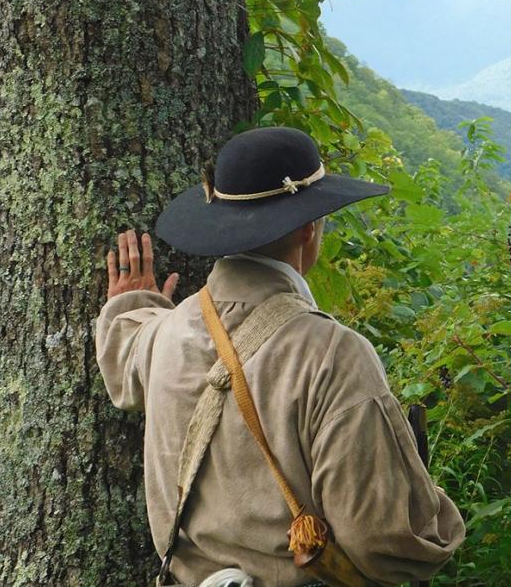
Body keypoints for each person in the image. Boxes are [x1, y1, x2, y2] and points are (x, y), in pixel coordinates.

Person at [95, 127, 465, 586]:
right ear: (310, 228)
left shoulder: (165, 336)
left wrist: (130, 303)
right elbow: (383, 542)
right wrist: (431, 514)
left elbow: (124, 362)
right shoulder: (332, 355)